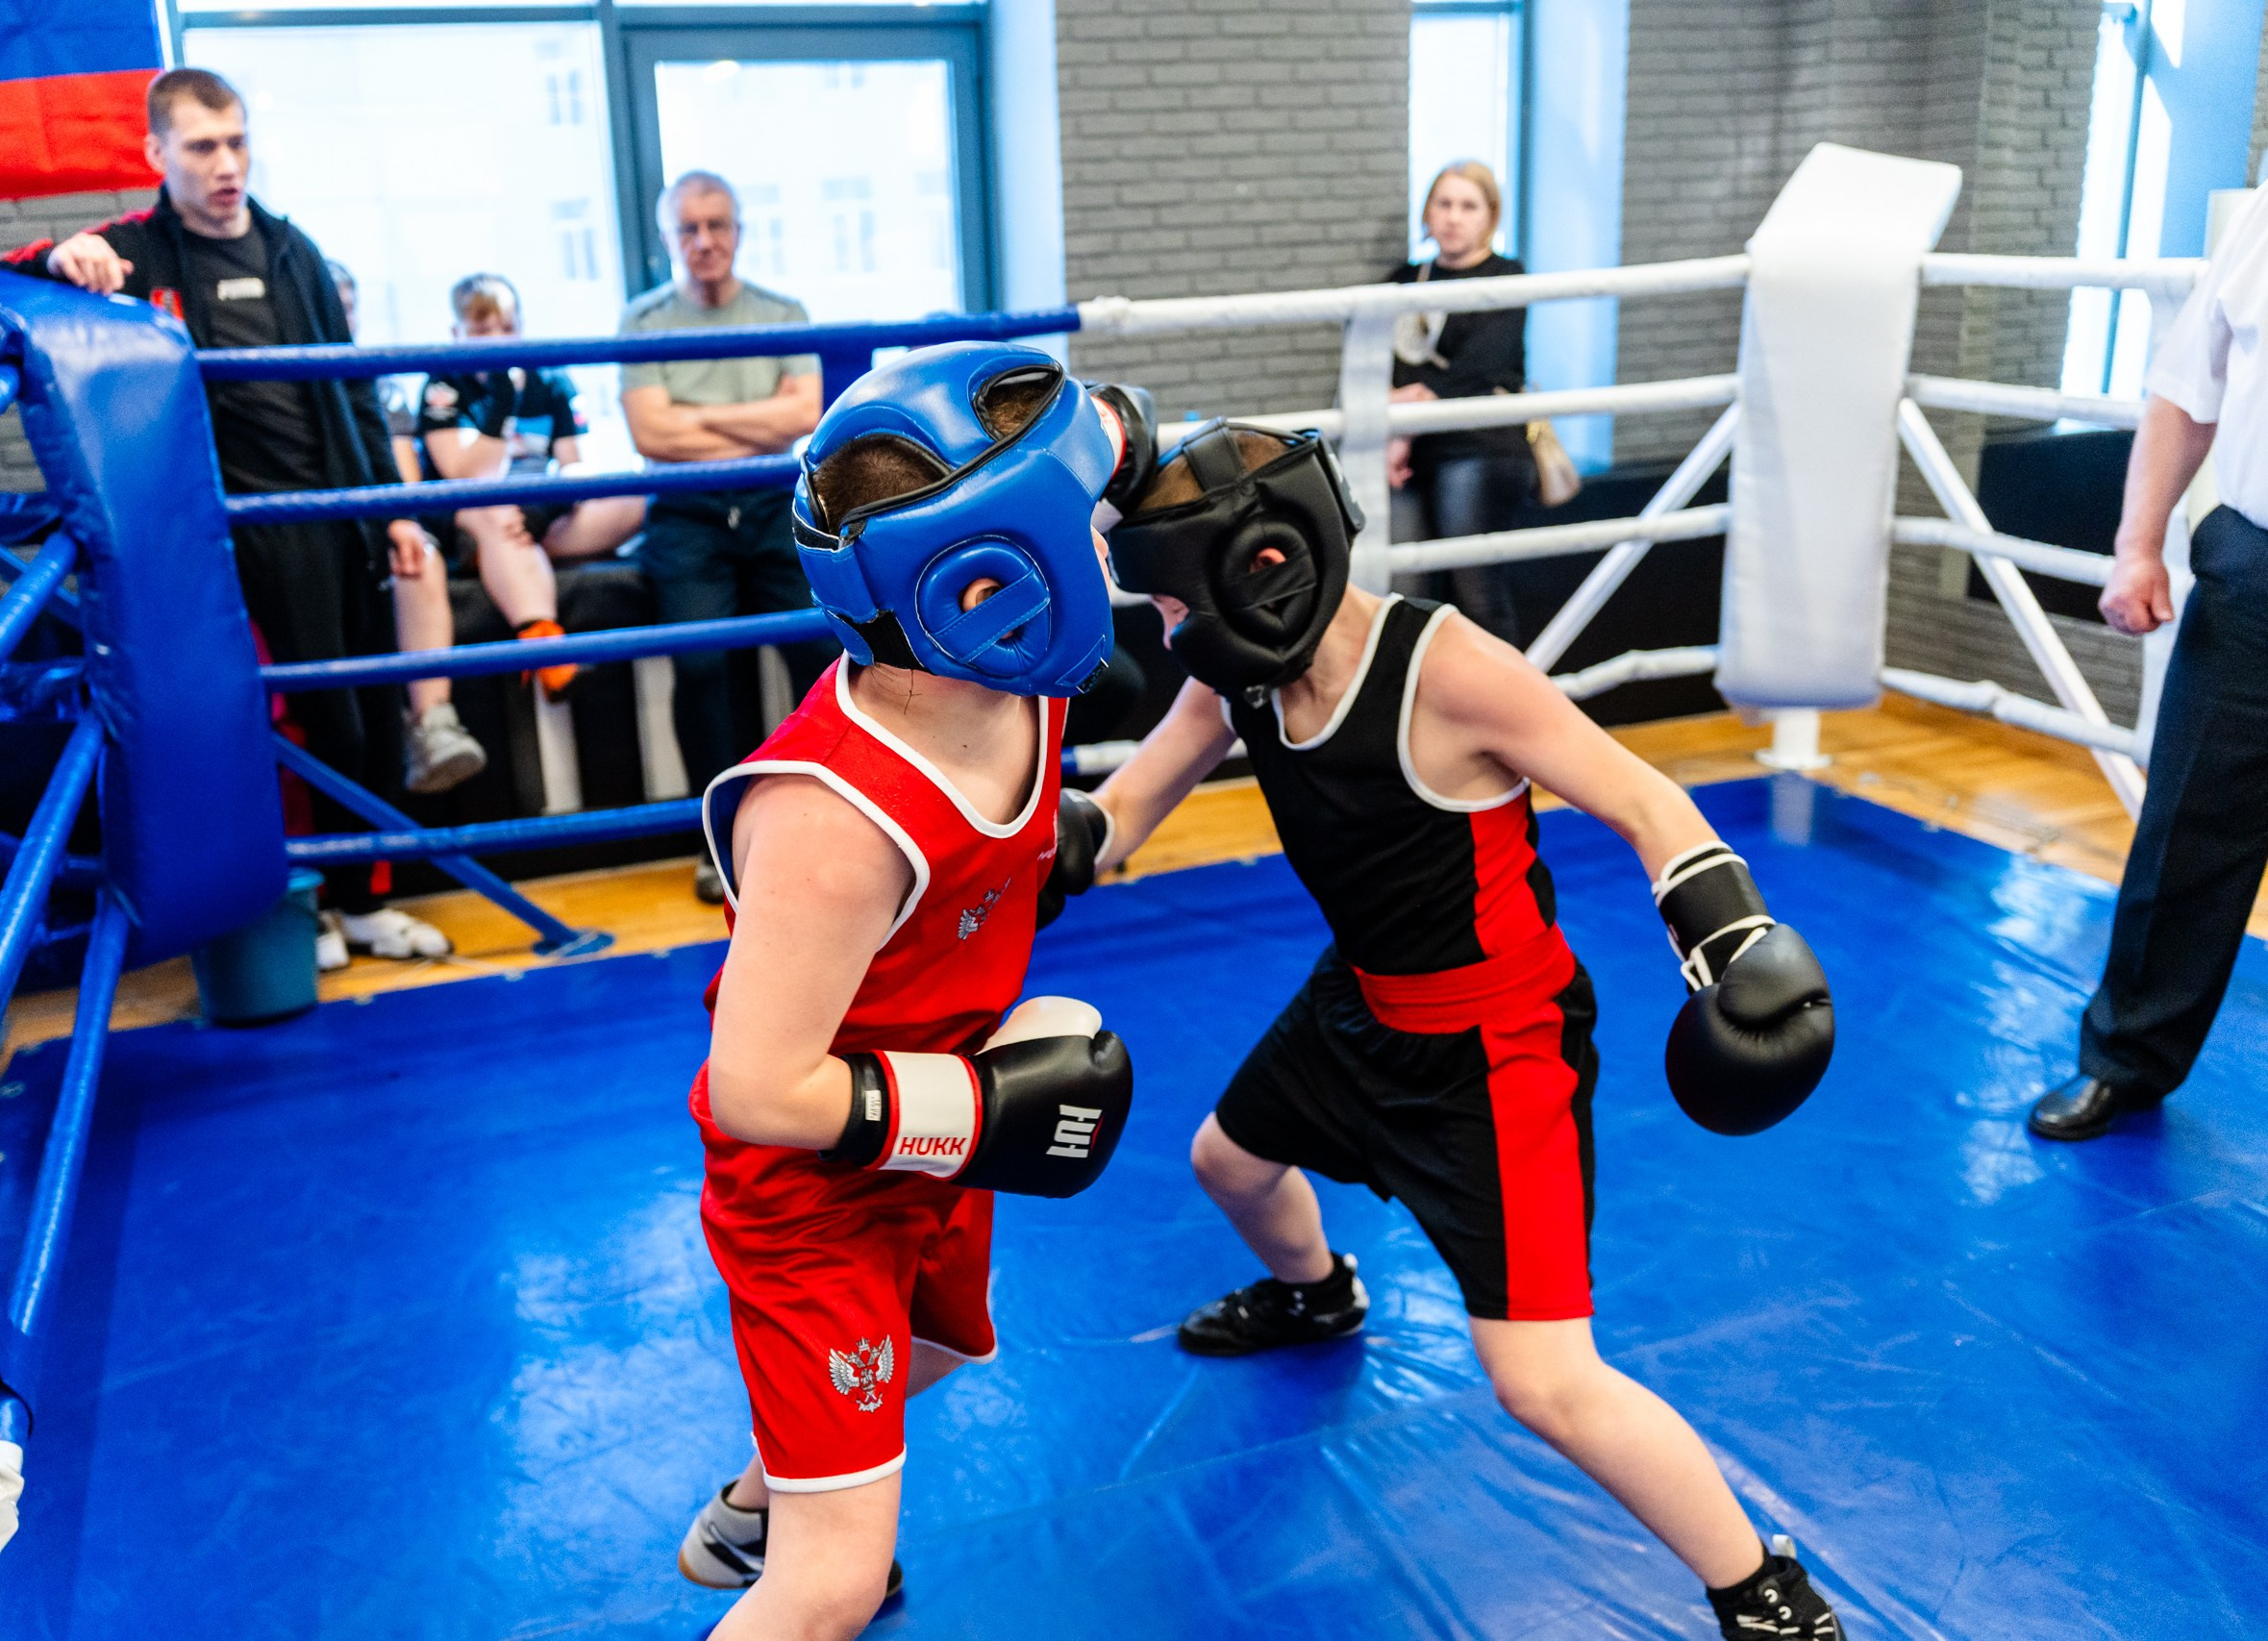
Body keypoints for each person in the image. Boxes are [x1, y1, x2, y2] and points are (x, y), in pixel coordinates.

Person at [1087, 419, 1844, 1638]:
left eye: (1177, 606)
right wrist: (1009, 850)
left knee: (1541, 1380)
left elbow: (1645, 798)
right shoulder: (1239, 672)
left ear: (1259, 568)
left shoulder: (1448, 669)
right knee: (1226, 1161)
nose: (1170, 631)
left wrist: (1732, 939)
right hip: (1358, 998)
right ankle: (1318, 1293)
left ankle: (1764, 1591)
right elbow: (1127, 805)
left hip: (1496, 1048)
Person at [674, 342, 1155, 1638]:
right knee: (831, 1584)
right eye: (1087, 532)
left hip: (930, 1139)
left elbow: (1121, 430)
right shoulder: (836, 823)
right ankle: (792, 1532)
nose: (1107, 557)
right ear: (1003, 574)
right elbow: (755, 1085)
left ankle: (757, 1497)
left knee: (940, 1347)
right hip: (813, 1188)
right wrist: (975, 1106)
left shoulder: (1011, 665)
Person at [0, 68, 455, 967]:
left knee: (354, 716)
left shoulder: (294, 251)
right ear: (157, 154)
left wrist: (394, 510)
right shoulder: (134, 253)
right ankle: (301, 902)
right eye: (203, 146)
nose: (225, 164)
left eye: (237, 142)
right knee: (254, 726)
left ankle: (367, 899)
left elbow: (351, 389)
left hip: (330, 518)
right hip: (214, 537)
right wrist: (58, 260)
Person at [2028, 189, 2268, 1140]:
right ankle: (2123, 1063)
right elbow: (2185, 387)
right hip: (2255, 573)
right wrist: (2137, 544)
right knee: (2186, 835)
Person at [621, 170, 843, 902]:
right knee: (702, 667)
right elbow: (649, 432)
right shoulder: (643, 321)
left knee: (824, 653)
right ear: (668, 240)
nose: (704, 241)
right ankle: (720, 843)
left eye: (717, 225)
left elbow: (803, 415)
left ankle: (838, 822)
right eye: (689, 228)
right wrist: (756, 418)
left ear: (739, 231)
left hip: (774, 502)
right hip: (685, 512)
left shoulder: (784, 311)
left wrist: (693, 419)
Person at [416, 273, 648, 699]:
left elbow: (577, 465)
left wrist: (550, 503)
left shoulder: (551, 378)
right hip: (476, 518)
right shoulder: (443, 383)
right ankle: (545, 646)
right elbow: (464, 475)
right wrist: (502, 402)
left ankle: (518, 557)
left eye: (507, 329)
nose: (498, 342)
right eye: (482, 331)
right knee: (496, 510)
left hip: (539, 519)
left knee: (636, 498)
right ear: (457, 334)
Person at [327, 260, 488, 795]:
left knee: (418, 553)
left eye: (347, 307)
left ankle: (432, 723)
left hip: (377, 524)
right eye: (331, 306)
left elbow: (404, 476)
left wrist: (395, 525)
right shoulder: (276, 376)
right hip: (306, 534)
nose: (339, 317)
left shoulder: (382, 383)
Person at [1385, 160, 1532, 644]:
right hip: (1414, 452)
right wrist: (1399, 413)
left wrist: (1404, 419)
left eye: (1468, 206)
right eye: (1443, 204)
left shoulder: (1508, 277)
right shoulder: (1404, 280)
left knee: (1474, 590)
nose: (1452, 217)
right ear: (1427, 213)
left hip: (1478, 449)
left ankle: (1511, 712)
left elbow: (1479, 370)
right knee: (1407, 590)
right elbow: (1382, 375)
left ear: (1490, 217)